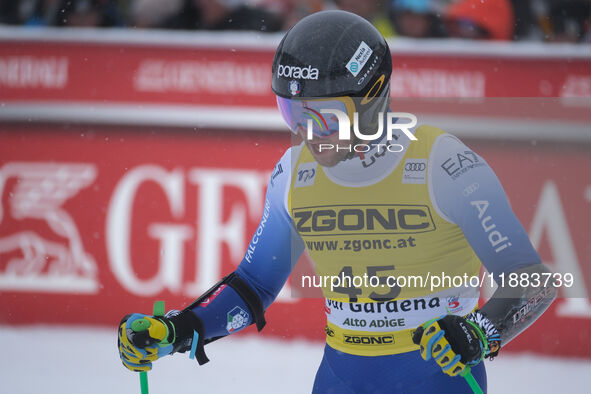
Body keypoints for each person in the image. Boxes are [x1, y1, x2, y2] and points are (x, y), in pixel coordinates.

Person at [118, 10, 557, 393]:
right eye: (293, 114)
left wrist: (478, 332)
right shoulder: (293, 173)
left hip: (439, 380)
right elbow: (254, 285)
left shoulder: (445, 164)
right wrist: (179, 328)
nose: (308, 132)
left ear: (371, 98)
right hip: (341, 379)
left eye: (325, 117)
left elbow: (534, 283)